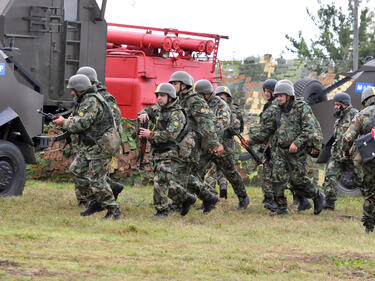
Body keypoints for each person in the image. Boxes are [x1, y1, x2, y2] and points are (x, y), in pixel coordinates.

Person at [244, 81, 324, 216]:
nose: (279, 98)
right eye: (278, 96)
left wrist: (297, 143)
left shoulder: (301, 108)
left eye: (281, 96)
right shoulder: (277, 111)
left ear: (289, 96)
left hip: (298, 151)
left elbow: (309, 129)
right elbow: (267, 130)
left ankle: (317, 196)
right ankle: (281, 207)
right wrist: (250, 141)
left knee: (297, 181)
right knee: (277, 178)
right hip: (281, 150)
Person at [54, 74, 122, 220]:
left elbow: (82, 123)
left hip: (100, 145)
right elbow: (80, 119)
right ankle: (96, 200)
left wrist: (64, 123)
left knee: (98, 181)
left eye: (73, 90)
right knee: (76, 169)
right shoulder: (85, 100)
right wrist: (67, 120)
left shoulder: (92, 101)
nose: (72, 93)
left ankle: (114, 210)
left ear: (80, 89)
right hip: (90, 145)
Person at [137, 83, 197, 217]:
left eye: (162, 96)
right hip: (157, 151)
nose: (159, 98)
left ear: (170, 97)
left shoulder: (177, 114)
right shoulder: (159, 108)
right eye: (158, 95)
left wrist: (150, 134)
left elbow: (170, 135)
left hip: (170, 151)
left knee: (161, 181)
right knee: (164, 182)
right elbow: (146, 111)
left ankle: (162, 211)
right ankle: (186, 198)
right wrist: (143, 114)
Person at [194, 80, 249, 210]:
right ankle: (207, 200)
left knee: (230, 173)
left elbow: (222, 123)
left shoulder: (221, 105)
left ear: (206, 94)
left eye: (199, 95)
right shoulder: (200, 104)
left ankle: (243, 197)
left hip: (223, 146)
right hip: (207, 146)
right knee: (197, 172)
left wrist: (208, 134)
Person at [74, 66, 124, 210]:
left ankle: (98, 200)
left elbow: (114, 120)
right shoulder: (84, 97)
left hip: (102, 143)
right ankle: (88, 199)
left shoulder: (104, 97)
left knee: (97, 175)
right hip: (88, 140)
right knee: (80, 170)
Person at [342, 86, 375, 233]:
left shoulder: (362, 115)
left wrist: (346, 152)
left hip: (370, 160)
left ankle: (369, 227)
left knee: (370, 193)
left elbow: (348, 137)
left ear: (366, 100)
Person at [322, 92, 363, 210]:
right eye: (334, 104)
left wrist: (350, 153)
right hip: (338, 155)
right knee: (330, 175)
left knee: (361, 180)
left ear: (344, 104)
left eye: (337, 104)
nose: (335, 107)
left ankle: (371, 201)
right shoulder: (339, 119)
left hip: (351, 156)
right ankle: (329, 203)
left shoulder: (355, 115)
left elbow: (358, 135)